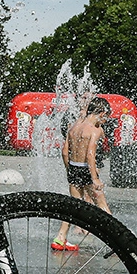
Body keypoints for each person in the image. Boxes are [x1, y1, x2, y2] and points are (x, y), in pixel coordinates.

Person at [52, 96, 112, 251]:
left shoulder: (74, 127)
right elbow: (90, 155)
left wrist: (69, 171)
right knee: (102, 204)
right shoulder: (95, 130)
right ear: (102, 113)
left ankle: (60, 238)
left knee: (73, 206)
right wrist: (95, 178)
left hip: (73, 167)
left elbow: (65, 152)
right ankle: (117, 240)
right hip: (86, 170)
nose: (105, 121)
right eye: (106, 118)